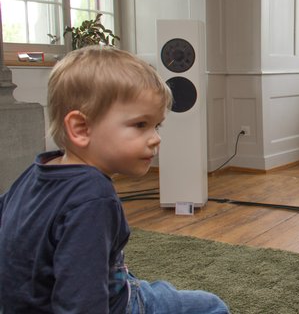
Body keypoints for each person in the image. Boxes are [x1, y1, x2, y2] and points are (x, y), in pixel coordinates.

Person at [0, 46, 229, 314]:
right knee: (211, 306)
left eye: (157, 126)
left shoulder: (37, 170)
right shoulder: (93, 196)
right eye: (140, 125)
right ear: (81, 129)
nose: (156, 138)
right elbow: (82, 302)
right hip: (118, 305)